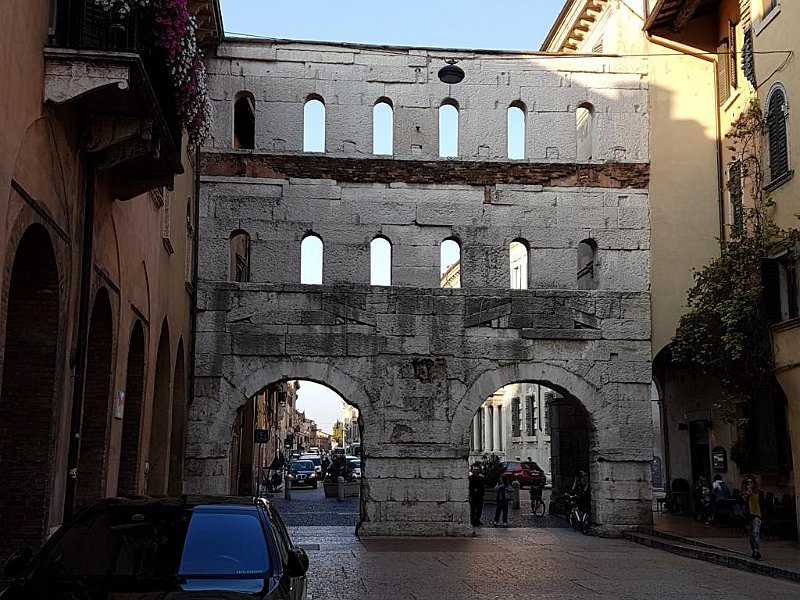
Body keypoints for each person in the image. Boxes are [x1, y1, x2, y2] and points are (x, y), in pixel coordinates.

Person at [742, 475, 762, 560]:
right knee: (751, 535)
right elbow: (742, 501)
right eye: (748, 483)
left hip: (756, 515)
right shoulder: (744, 493)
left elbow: (761, 503)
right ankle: (754, 550)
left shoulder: (757, 493)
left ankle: (757, 551)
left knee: (755, 533)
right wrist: (746, 495)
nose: (749, 484)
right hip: (747, 515)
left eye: (751, 482)